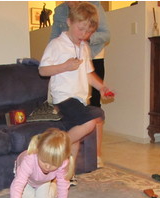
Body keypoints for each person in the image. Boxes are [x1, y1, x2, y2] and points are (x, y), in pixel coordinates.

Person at [40, 1, 112, 175]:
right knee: (89, 122)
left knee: (76, 139)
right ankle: (53, 149)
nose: (84, 34)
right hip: (63, 97)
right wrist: (64, 66)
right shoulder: (56, 45)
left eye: (89, 32)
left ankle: (66, 176)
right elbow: (43, 70)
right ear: (69, 22)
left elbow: (88, 74)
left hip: (79, 98)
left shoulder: (84, 47)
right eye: (81, 29)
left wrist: (101, 87)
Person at [9, 128, 74, 198]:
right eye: (44, 161)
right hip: (28, 180)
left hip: (44, 180)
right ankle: (45, 186)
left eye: (53, 164)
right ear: (38, 151)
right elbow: (17, 186)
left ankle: (53, 186)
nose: (48, 167)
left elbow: (63, 186)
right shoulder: (29, 160)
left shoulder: (63, 162)